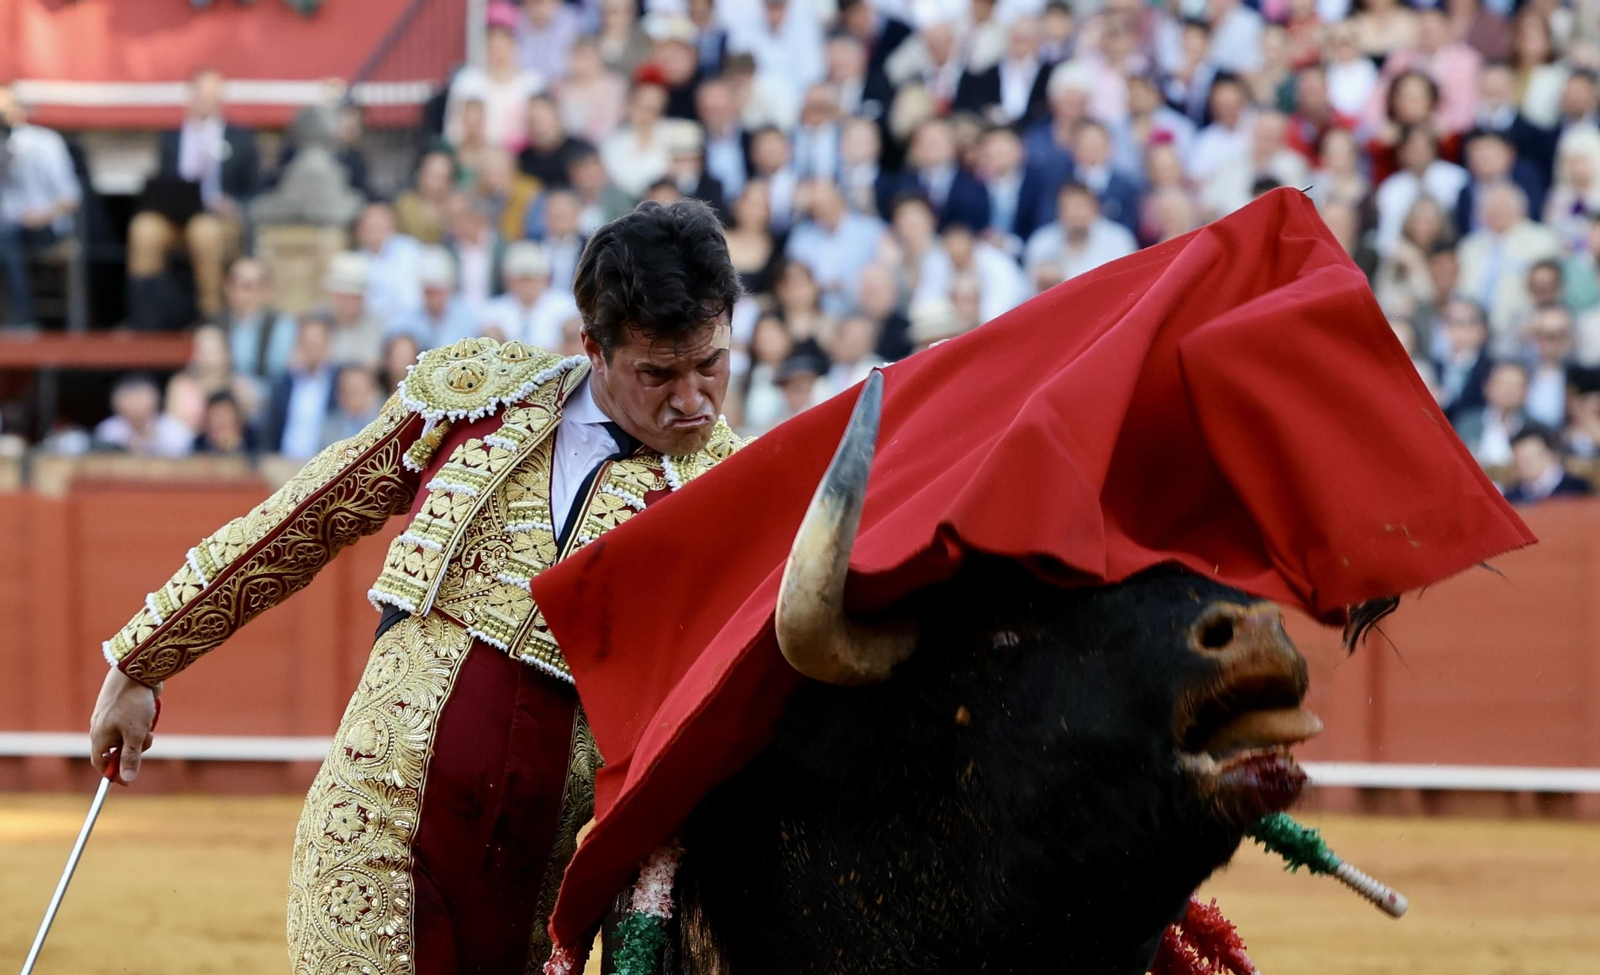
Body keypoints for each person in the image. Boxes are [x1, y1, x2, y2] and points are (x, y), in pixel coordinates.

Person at [89, 200, 748, 975]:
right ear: (593, 348)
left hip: (531, 878)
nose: (694, 399)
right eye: (658, 373)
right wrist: (144, 658)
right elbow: (307, 517)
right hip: (370, 824)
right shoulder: (478, 398)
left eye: (711, 364)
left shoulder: (734, 491)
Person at [126, 69, 260, 326]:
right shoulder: (170, 137)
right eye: (201, 94)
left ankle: (211, 315)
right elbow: (164, 179)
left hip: (219, 220)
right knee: (144, 229)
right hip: (176, 216)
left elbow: (255, 191)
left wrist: (234, 205)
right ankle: (147, 319)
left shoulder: (241, 138)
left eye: (212, 94)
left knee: (204, 231)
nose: (206, 100)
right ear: (189, 97)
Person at [0, 83, 81, 328]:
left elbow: (71, 197)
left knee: (5, 237)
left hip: (44, 226)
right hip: (7, 227)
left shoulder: (45, 142)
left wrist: (43, 215)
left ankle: (22, 318)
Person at [1023, 181, 1138, 292]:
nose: (1076, 213)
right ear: (1058, 210)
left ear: (1096, 208)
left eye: (1081, 206)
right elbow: (1030, 293)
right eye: (1069, 206)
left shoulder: (1118, 240)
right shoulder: (1041, 243)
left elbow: (1129, 287)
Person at [480, 241, 569, 347]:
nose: (527, 287)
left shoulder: (565, 306)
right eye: (521, 280)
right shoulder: (492, 310)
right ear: (507, 281)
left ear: (545, 279)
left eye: (532, 279)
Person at [91, 373, 195, 458]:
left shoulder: (175, 431)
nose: (136, 407)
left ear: (155, 402)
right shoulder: (108, 432)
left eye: (140, 401)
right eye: (131, 400)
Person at [321, 252, 385, 368]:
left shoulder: (376, 326)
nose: (345, 303)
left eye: (351, 297)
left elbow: (371, 366)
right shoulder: (319, 321)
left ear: (362, 298)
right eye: (340, 296)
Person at [1502, 424, 1594, 502]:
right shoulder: (1513, 496)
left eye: (1530, 458)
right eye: (1520, 460)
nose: (1525, 464)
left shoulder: (1576, 489)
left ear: (1551, 454)